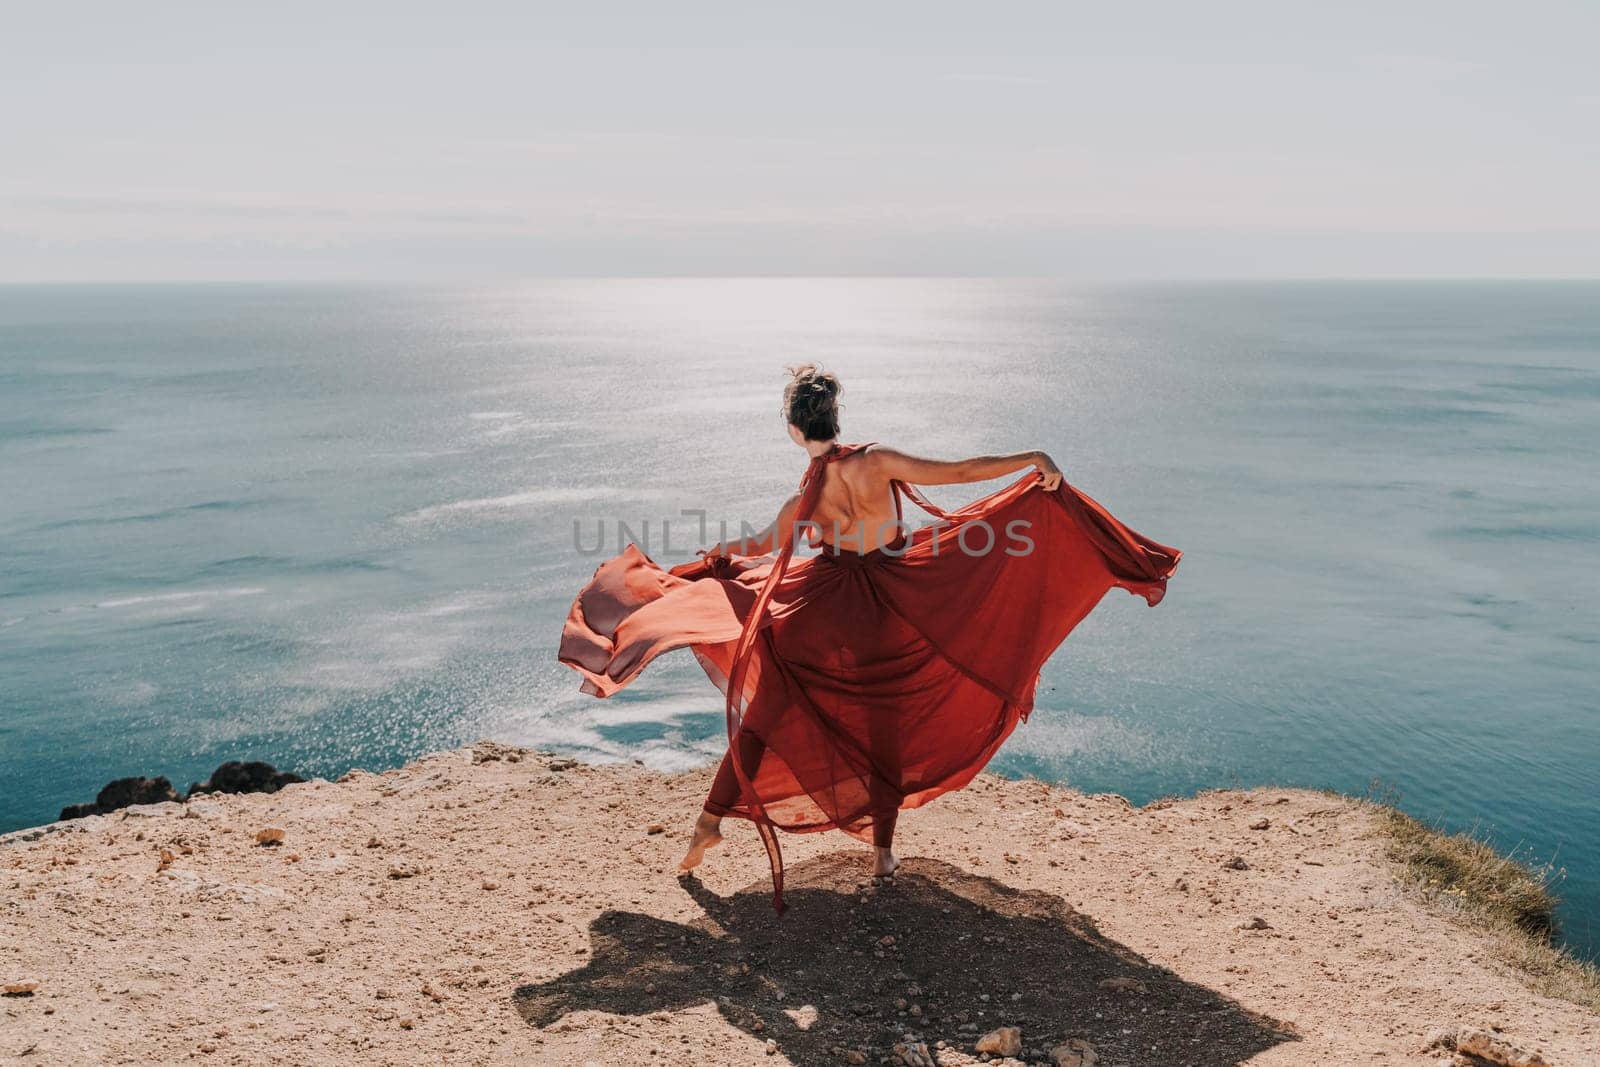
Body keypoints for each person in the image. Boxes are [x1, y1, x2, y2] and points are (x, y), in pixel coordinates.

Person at [560, 364, 1180, 911]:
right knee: (885, 725)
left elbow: (763, 547)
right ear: (835, 417)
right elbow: (958, 471)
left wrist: (720, 555)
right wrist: (1031, 458)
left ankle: (707, 825)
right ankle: (881, 854)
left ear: (795, 430)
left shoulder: (807, 492)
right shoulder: (875, 461)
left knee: (768, 714)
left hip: (820, 609)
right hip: (888, 605)